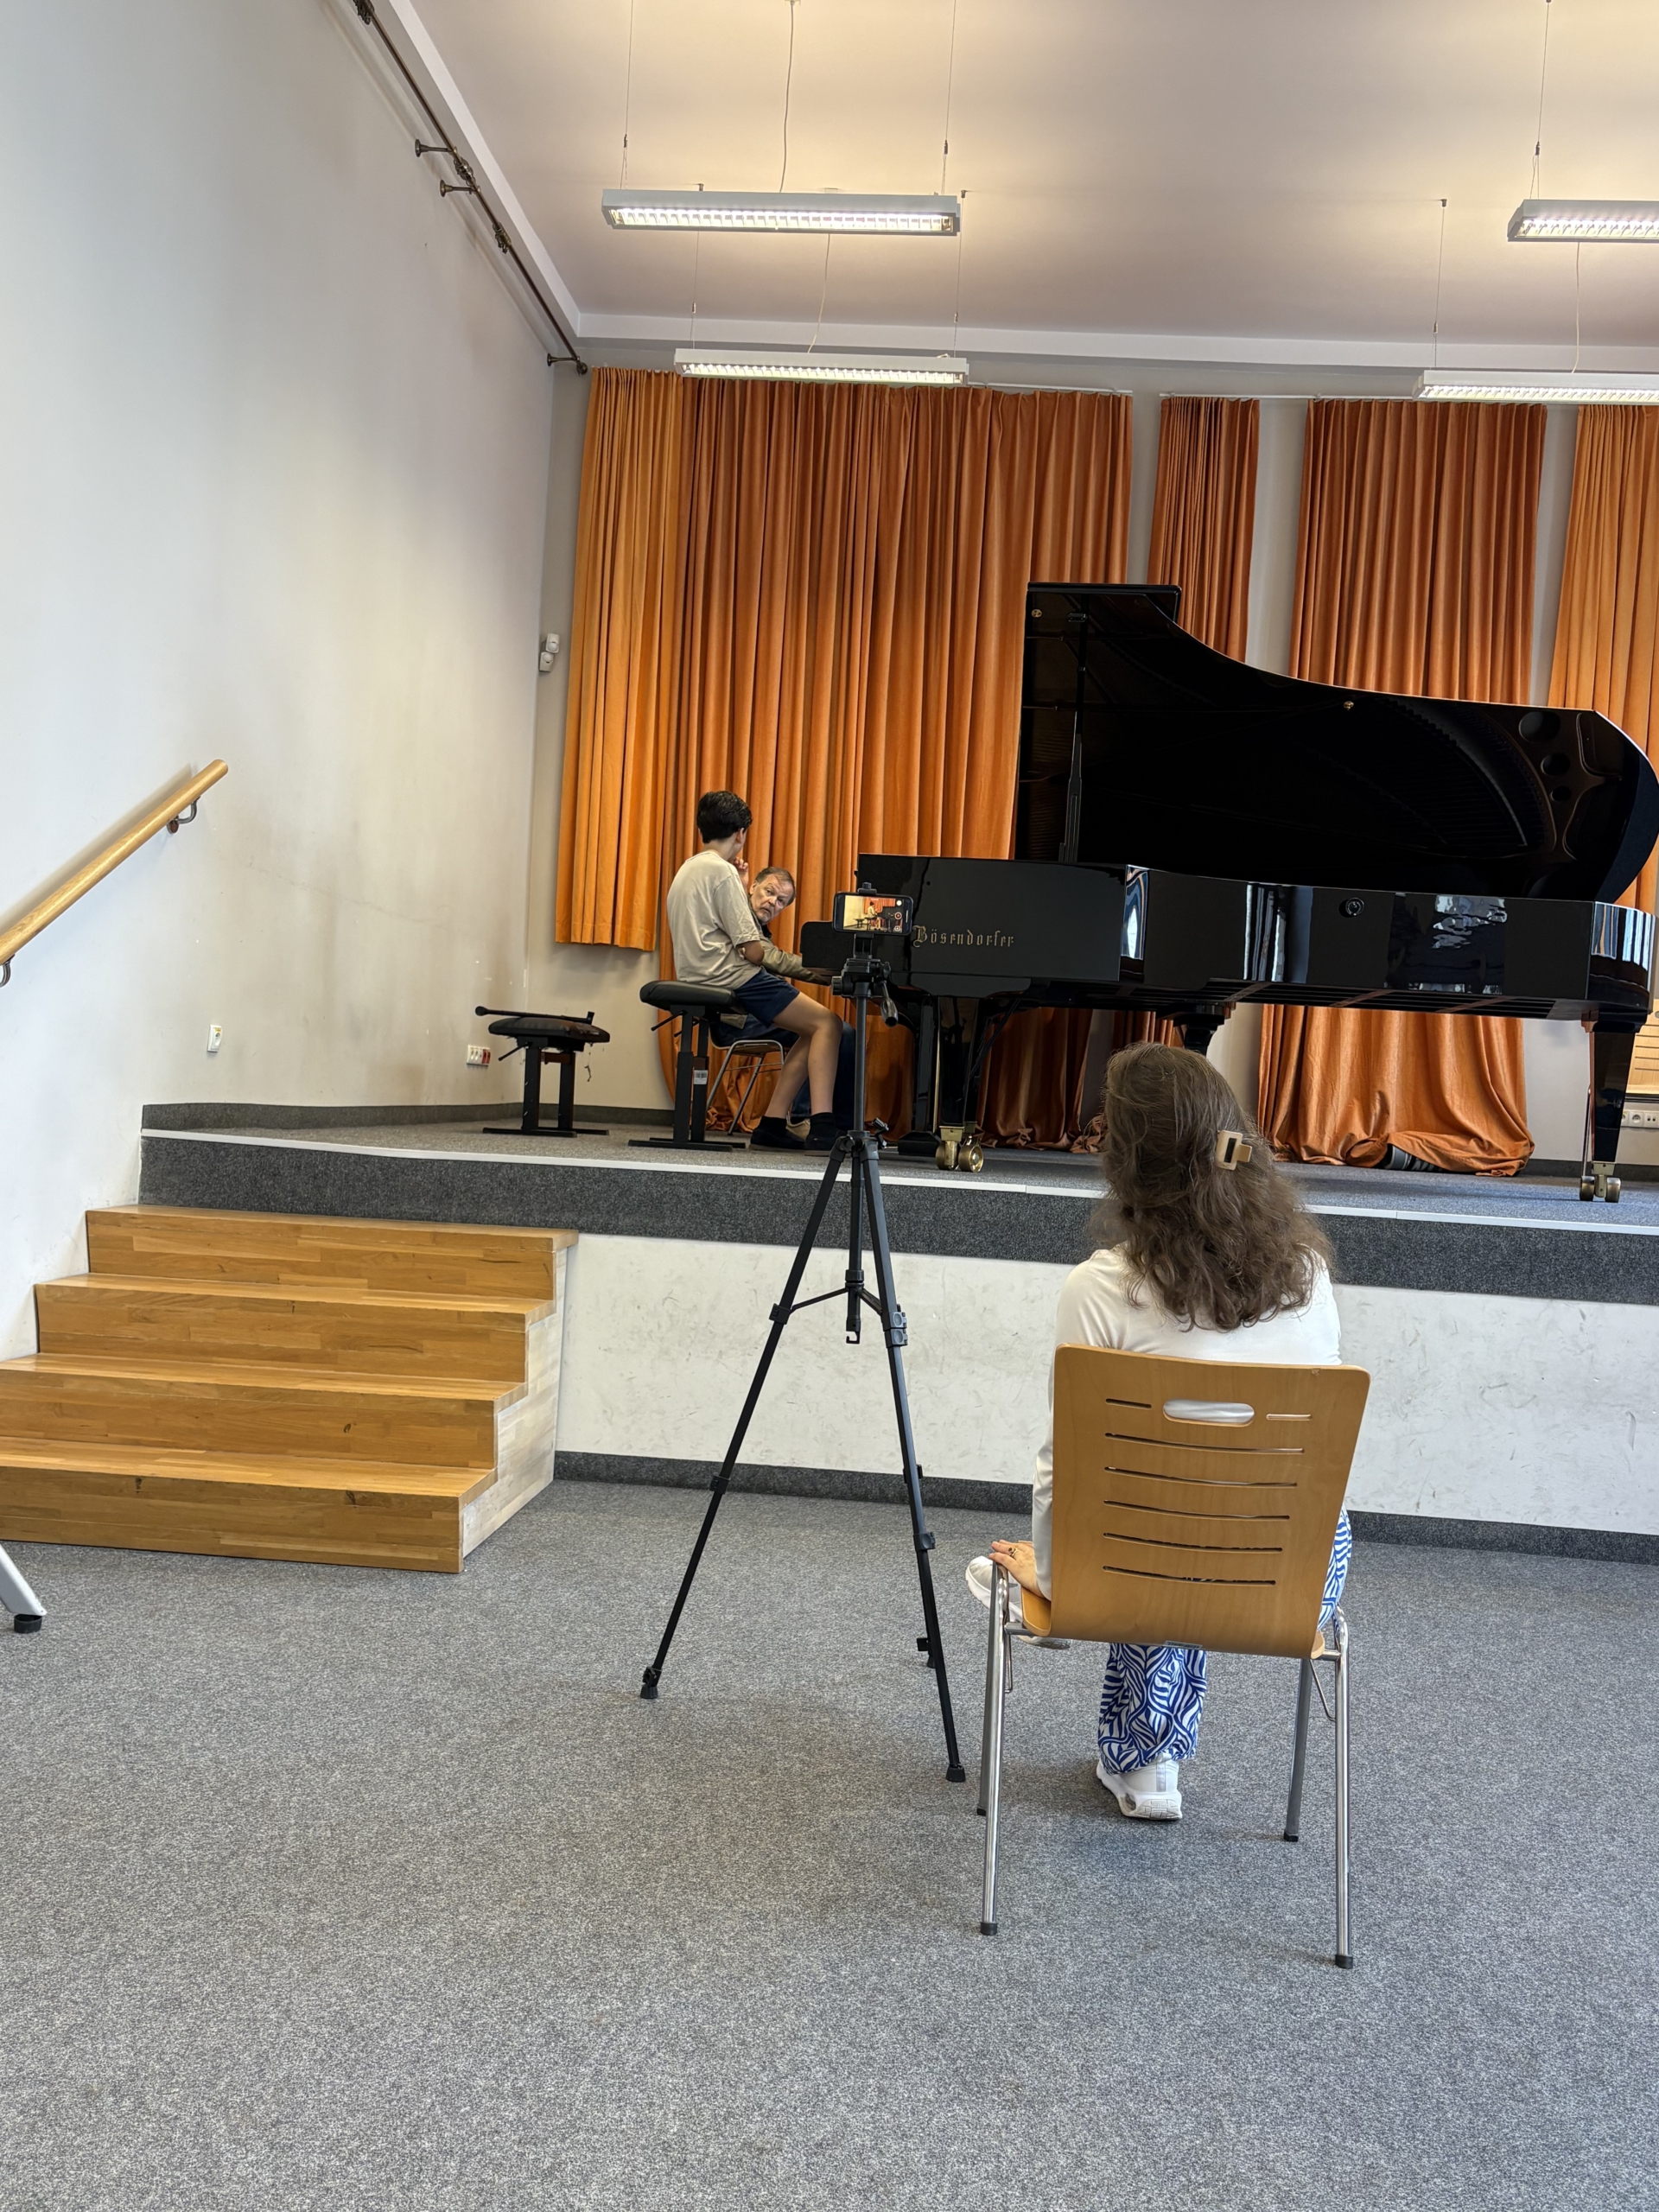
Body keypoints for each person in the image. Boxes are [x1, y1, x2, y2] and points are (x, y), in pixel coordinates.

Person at [968, 1042, 1349, 1822]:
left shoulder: (1102, 1287)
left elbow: (1066, 1469)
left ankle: (1145, 1762)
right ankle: (1145, 1761)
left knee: (1152, 1517)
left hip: (1138, 1569)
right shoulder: (1308, 1274)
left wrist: (1057, 1580)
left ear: (1124, 1162)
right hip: (1295, 1573)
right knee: (1198, 1509)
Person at [663, 791, 843, 1151]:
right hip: (732, 977)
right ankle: (823, 1126)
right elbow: (755, 952)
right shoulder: (722, 872)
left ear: (702, 828)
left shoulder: (686, 870)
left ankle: (772, 1124)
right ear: (741, 833)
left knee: (810, 1031)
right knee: (830, 1024)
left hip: (699, 975)